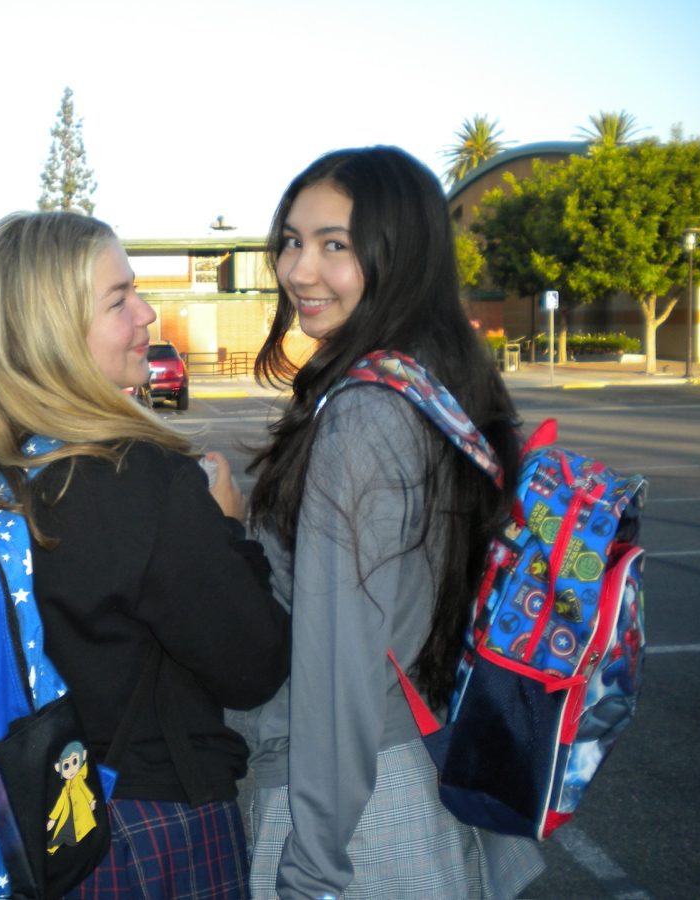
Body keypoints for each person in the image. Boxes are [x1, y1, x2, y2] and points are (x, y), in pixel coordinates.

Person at [0, 210, 290, 899]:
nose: (147, 312)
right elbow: (253, 665)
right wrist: (229, 530)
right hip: (139, 831)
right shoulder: (134, 478)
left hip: (4, 831)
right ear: (54, 333)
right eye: (119, 298)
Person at [238, 147, 546, 898]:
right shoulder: (438, 382)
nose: (298, 271)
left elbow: (338, 667)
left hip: (355, 814)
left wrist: (311, 868)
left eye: (334, 245)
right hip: (418, 766)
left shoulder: (365, 416)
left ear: (398, 253)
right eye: (291, 240)